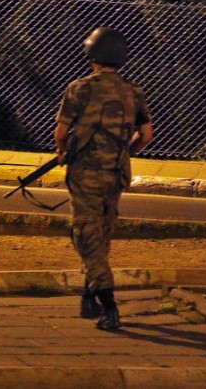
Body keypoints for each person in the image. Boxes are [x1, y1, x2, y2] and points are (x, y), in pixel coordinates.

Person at [54, 27, 154, 331]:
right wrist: (126, 152)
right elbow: (147, 135)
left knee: (86, 234)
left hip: (86, 174)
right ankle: (89, 296)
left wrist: (63, 152)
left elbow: (60, 133)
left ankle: (108, 305)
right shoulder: (133, 90)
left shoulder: (79, 88)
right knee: (103, 231)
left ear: (92, 56)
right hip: (116, 174)